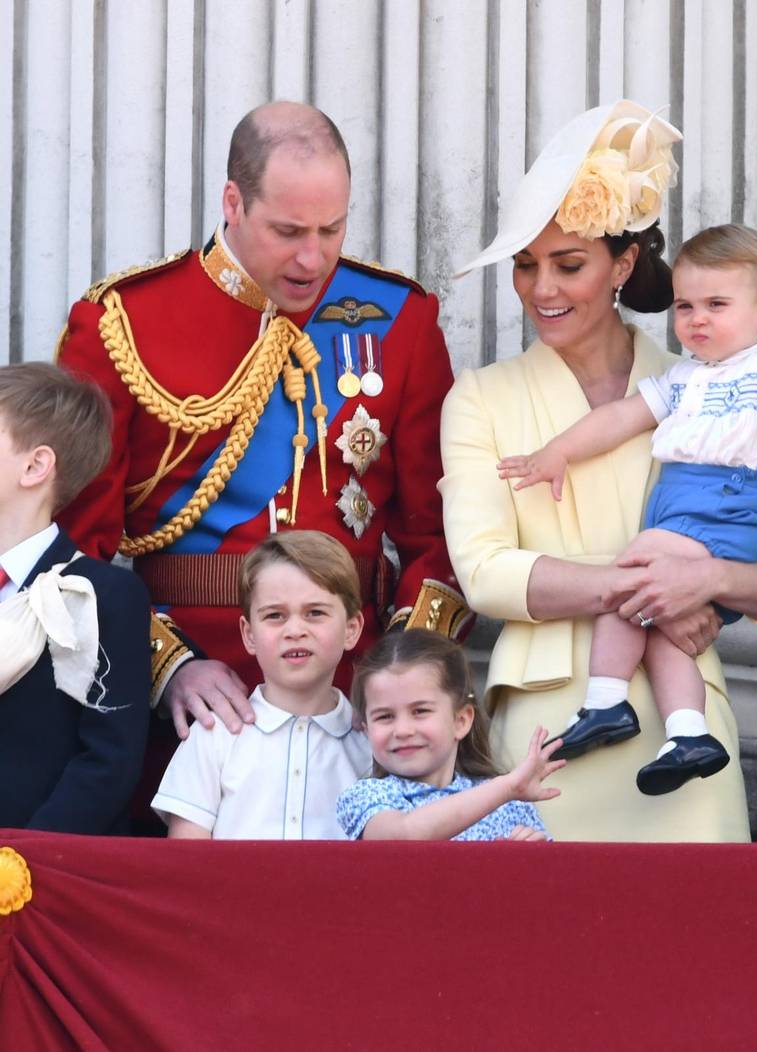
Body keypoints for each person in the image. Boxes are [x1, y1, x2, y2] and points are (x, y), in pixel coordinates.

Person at [440, 100, 757, 842]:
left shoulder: (705, 381)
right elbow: (485, 575)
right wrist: (652, 587)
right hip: (550, 731)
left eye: (569, 264)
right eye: (526, 266)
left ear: (622, 265)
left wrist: (713, 581)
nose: (541, 289)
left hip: (689, 739)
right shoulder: (480, 398)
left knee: (698, 954)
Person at [56, 100, 469, 742]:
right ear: (233, 202)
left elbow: (442, 535)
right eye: (288, 232)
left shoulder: (400, 318)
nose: (314, 260)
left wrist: (403, 674)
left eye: (332, 231)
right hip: (188, 692)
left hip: (357, 692)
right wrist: (165, 666)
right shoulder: (123, 323)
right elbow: (70, 552)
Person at [497, 224, 757, 795]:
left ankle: (604, 702)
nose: (697, 319)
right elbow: (620, 419)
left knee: (639, 568)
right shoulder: (683, 377)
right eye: (685, 306)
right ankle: (687, 734)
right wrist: (557, 453)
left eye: (717, 305)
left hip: (730, 504)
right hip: (689, 509)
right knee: (662, 628)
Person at [0, 362, 150, 834]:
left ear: (35, 466)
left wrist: (25, 860)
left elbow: (108, 760)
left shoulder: (102, 595)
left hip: (39, 875)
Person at [152, 530, 370, 839]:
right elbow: (186, 860)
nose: (295, 629)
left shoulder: (370, 744)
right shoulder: (214, 735)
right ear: (249, 634)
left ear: (352, 628)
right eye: (275, 616)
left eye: (315, 613)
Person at [336, 630, 561, 841]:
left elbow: (553, 880)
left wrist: (524, 861)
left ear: (461, 721)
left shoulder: (511, 804)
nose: (403, 730)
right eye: (385, 716)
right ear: (366, 729)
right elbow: (403, 836)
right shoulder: (366, 796)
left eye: (420, 711)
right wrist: (506, 788)